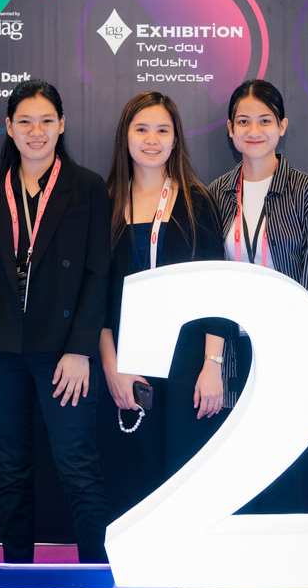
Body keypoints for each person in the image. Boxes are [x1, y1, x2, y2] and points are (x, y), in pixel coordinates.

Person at [0, 80, 113, 563]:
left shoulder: (87, 187)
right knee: (10, 471)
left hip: (62, 351)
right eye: (25, 121)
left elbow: (99, 272)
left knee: (77, 467)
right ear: (9, 127)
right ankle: (17, 576)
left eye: (47, 121)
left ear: (62, 125)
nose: (36, 131)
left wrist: (80, 348)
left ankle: (97, 576)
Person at [205, 80, 308, 510]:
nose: (254, 131)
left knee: (282, 467)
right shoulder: (215, 195)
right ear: (230, 129)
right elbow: (209, 282)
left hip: (289, 350)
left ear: (282, 126)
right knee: (234, 467)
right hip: (233, 351)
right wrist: (212, 359)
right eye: (244, 121)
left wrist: (301, 349)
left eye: (265, 121)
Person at [98, 91, 229, 507]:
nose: (151, 139)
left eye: (162, 130)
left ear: (175, 139)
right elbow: (94, 297)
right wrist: (112, 368)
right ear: (125, 136)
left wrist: (212, 365)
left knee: (183, 478)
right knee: (135, 482)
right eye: (141, 129)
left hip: (186, 361)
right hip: (128, 362)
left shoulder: (195, 201)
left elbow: (215, 288)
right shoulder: (104, 203)